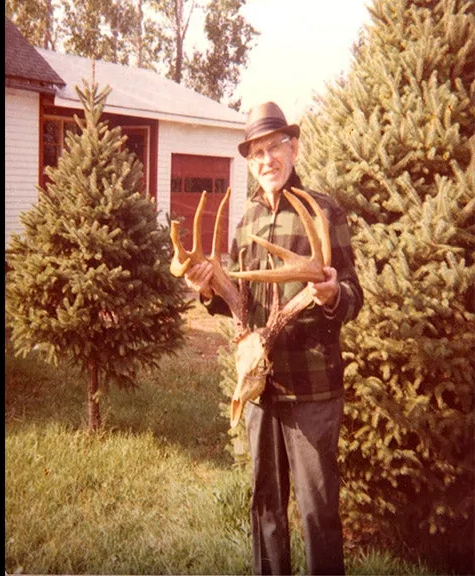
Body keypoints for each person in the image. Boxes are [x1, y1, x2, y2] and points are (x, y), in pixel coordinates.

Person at [183, 101, 363, 575]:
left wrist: (329, 295)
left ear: (294, 148)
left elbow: (353, 296)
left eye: (274, 148)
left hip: (313, 390)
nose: (267, 161)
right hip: (260, 389)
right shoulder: (247, 222)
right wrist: (209, 288)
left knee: (317, 512)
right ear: (250, 161)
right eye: (256, 153)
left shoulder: (324, 212)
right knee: (265, 506)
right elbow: (237, 304)